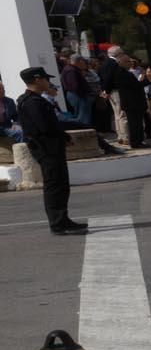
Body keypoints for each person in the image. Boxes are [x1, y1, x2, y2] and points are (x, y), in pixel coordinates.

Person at [16, 67, 85, 235]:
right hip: (47, 148)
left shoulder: (34, 100)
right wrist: (61, 137)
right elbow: (44, 127)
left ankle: (63, 219)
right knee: (55, 185)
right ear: (37, 79)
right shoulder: (33, 102)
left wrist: (63, 137)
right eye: (45, 78)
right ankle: (57, 223)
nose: (48, 82)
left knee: (61, 184)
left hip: (50, 146)